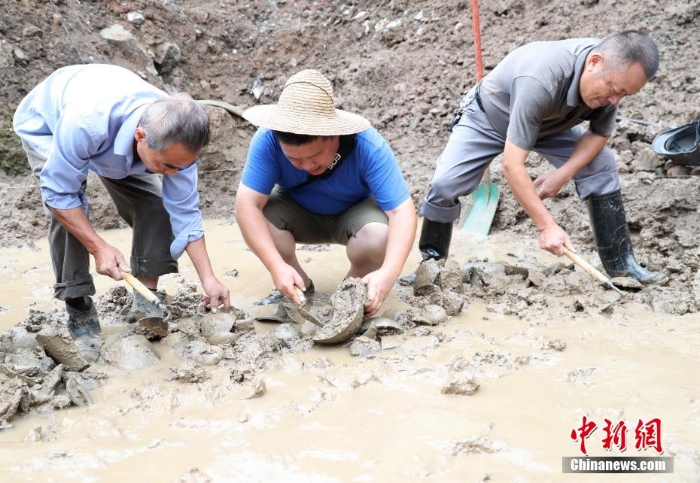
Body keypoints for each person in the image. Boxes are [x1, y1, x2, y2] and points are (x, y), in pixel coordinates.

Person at [418, 30, 665, 284]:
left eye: (624, 94)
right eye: (613, 90)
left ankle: (621, 266)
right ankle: (432, 267)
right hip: (489, 119)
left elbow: (599, 135)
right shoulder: (542, 76)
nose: (614, 100)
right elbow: (512, 165)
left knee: (601, 163)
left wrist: (562, 174)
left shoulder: (610, 77)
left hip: (549, 126)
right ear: (594, 62)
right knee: (444, 184)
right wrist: (546, 226)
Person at [13, 63, 231, 341]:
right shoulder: (86, 123)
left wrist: (208, 278)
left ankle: (146, 299)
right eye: (168, 165)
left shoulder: (178, 144)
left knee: (156, 204)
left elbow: (185, 211)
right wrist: (99, 247)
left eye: (181, 167)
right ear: (140, 137)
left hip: (117, 144)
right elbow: (59, 196)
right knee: (68, 214)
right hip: (50, 127)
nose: (174, 174)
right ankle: (78, 306)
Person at [235, 69, 417, 317]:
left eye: (314, 156)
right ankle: (297, 285)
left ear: (334, 135)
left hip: (356, 213)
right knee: (258, 221)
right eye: (294, 160)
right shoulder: (267, 141)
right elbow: (246, 205)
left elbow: (402, 212)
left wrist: (389, 273)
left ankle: (352, 295)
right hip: (297, 210)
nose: (307, 166)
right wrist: (276, 267)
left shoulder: (368, 145)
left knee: (379, 238)